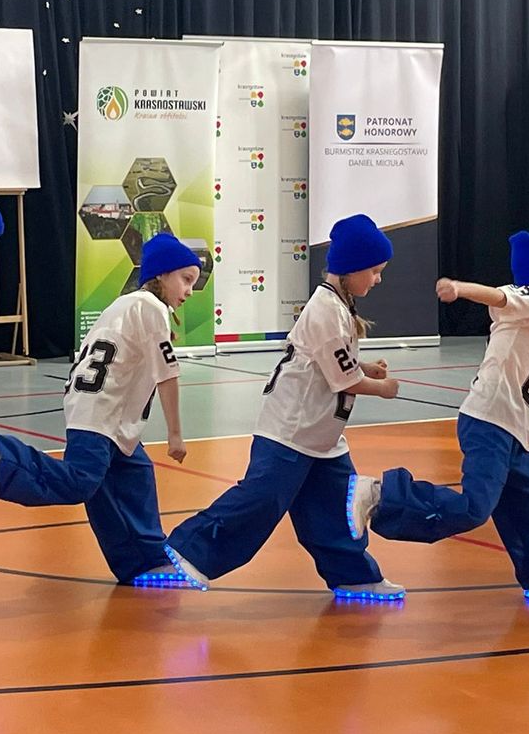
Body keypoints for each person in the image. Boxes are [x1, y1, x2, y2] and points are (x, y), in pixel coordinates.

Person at [348, 233, 529, 604]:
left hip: (517, 434)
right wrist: (460, 288)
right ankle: (381, 494)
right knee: (474, 508)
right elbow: (501, 296)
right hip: (491, 423)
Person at [162, 214, 404, 600]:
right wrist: (382, 387)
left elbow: (332, 362)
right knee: (260, 502)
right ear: (352, 268)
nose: (377, 280)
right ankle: (187, 550)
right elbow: (345, 380)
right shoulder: (326, 310)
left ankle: (353, 575)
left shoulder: (338, 306)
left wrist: (365, 366)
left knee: (336, 510)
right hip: (290, 432)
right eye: (374, 271)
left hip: (322, 436)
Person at [0, 233, 202, 586]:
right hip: (102, 413)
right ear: (162, 274)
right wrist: (176, 435)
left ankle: (144, 563)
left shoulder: (123, 305)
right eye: (185, 279)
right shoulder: (151, 308)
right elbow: (167, 374)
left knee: (133, 479)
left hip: (104, 414)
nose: (189, 291)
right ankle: (2, 456)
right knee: (80, 482)